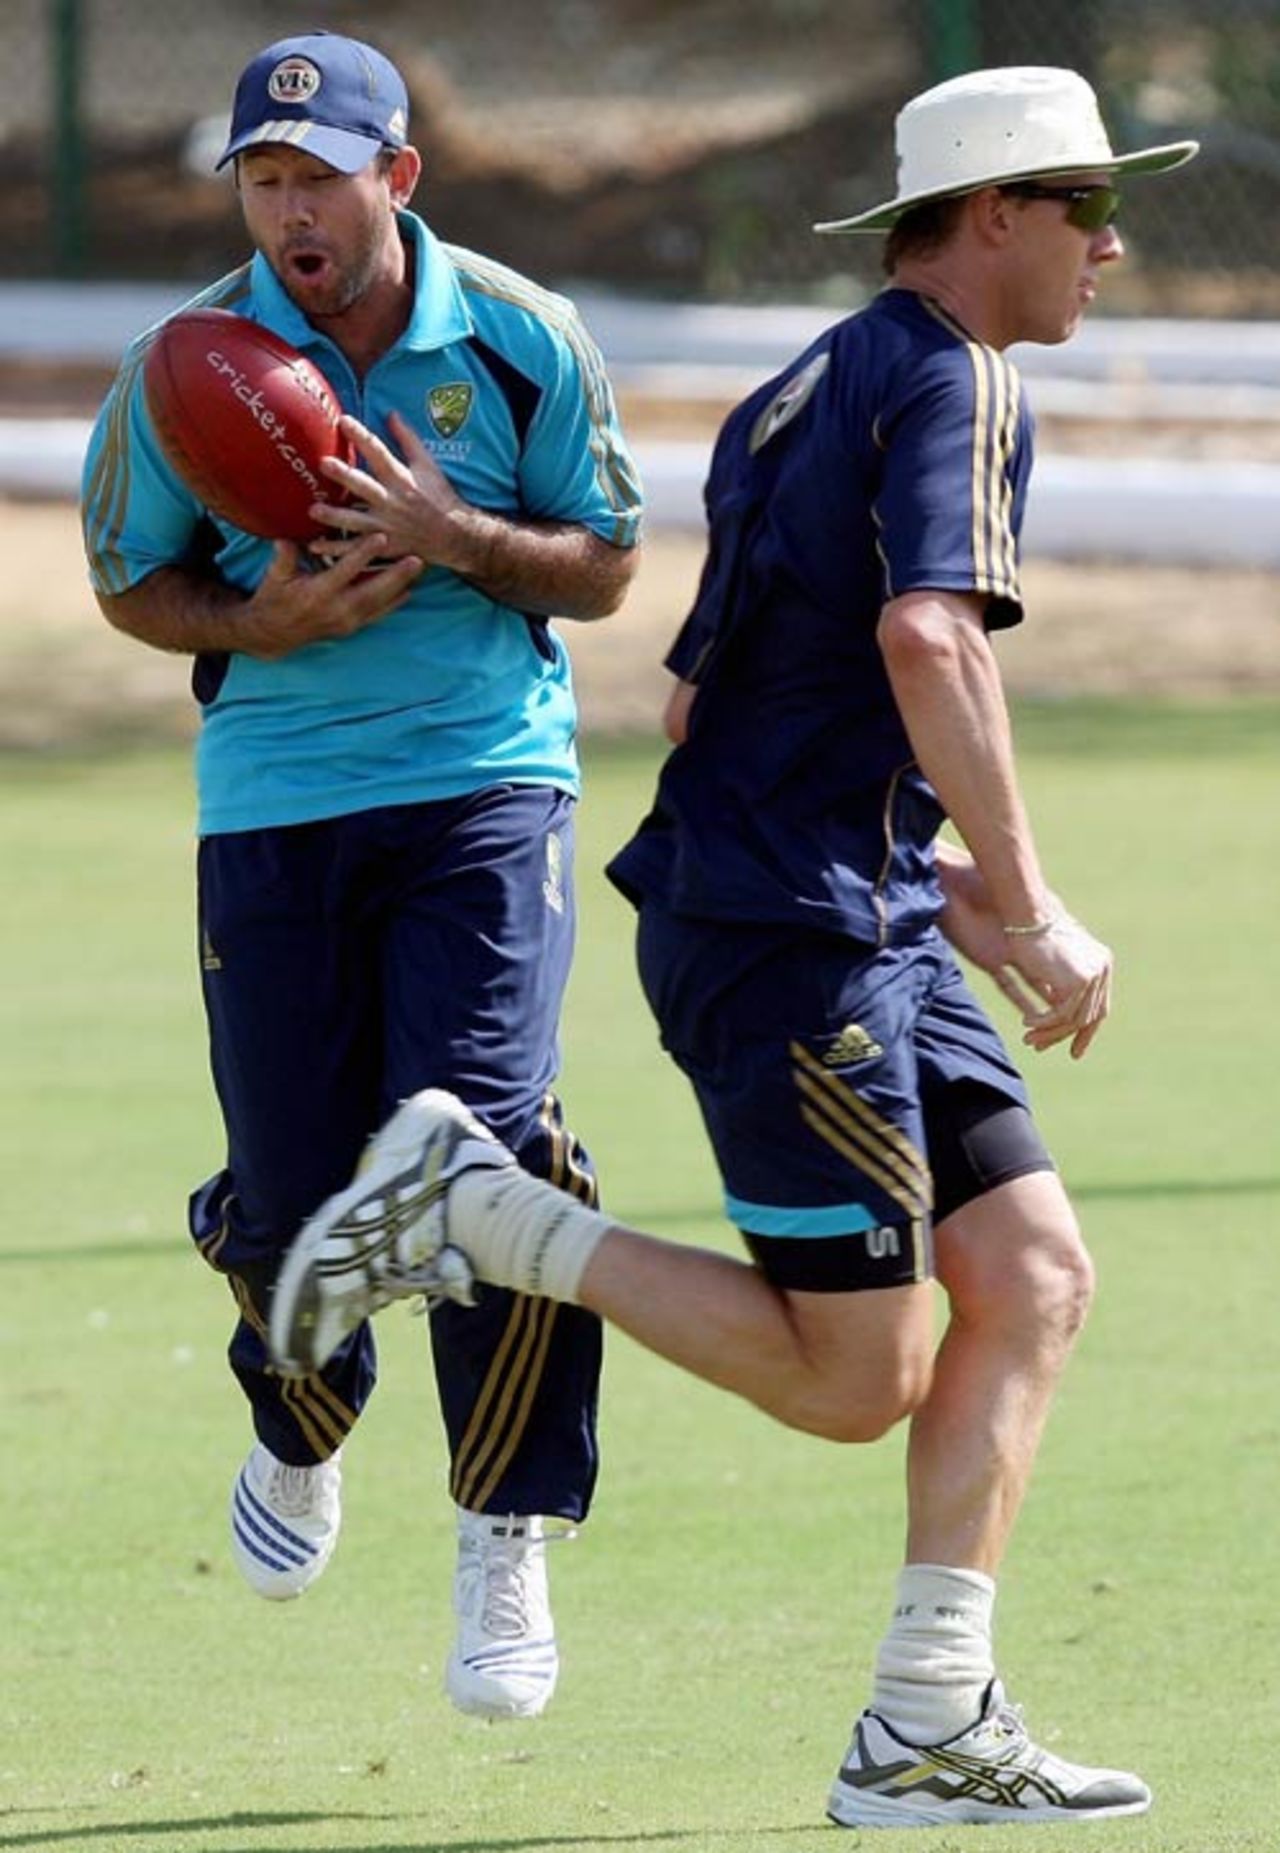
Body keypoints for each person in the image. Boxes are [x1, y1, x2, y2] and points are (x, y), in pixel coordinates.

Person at [264, 65, 1196, 1825]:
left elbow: (712, 701)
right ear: (993, 215)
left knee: (1039, 1275)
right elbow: (932, 639)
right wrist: (1039, 896)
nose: (1112, 242)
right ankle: (478, 1210)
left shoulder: (802, 388)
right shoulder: (961, 379)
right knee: (861, 1378)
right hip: (792, 939)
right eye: (1083, 206)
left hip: (848, 915)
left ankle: (926, 1720)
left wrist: (966, 905)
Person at [81, 30, 642, 1722]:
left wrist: (456, 534)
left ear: (396, 179)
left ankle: (507, 1525)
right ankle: (299, 1425)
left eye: (320, 178)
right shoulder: (187, 364)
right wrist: (253, 618)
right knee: (285, 1200)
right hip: (272, 803)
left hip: (483, 788)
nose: (289, 210)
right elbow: (127, 577)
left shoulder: (524, 342)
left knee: (474, 1157)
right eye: (263, 179)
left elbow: (608, 567)